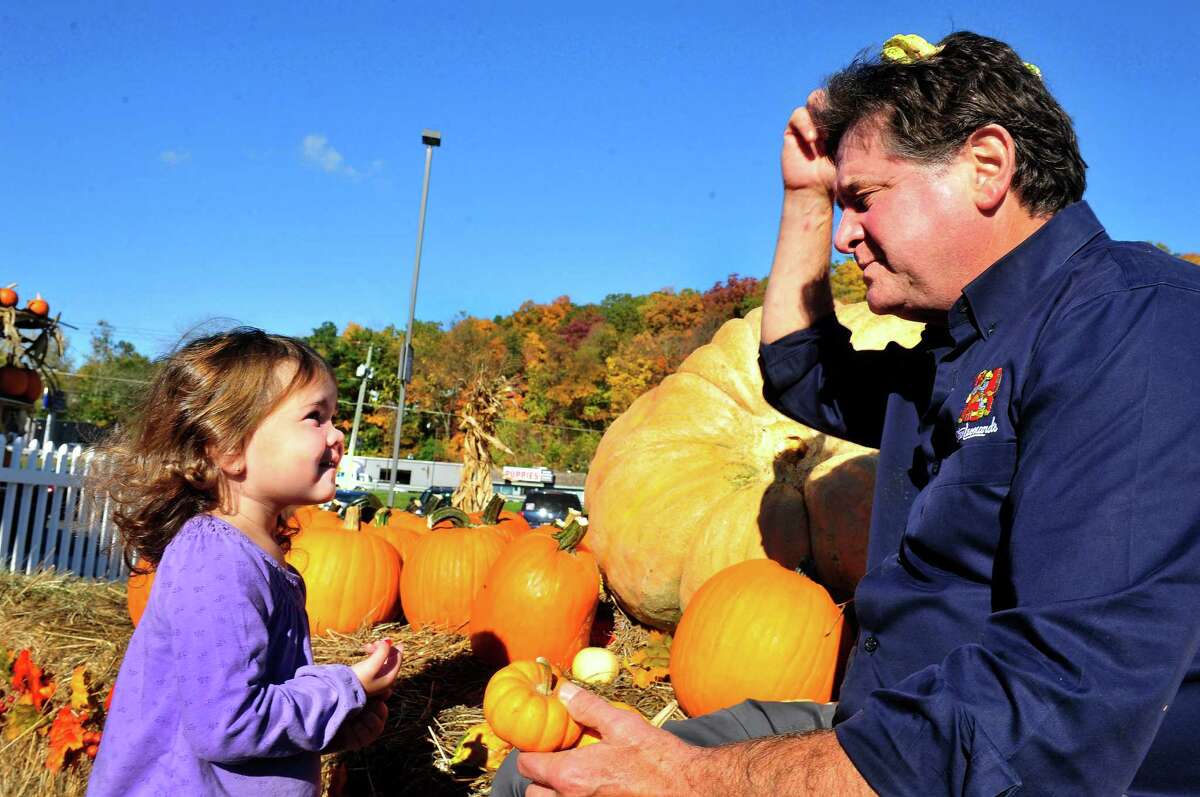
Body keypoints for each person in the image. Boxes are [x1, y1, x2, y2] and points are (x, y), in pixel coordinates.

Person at [493, 31, 1200, 796]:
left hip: (965, 765)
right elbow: (799, 371)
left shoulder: (1134, 328)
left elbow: (1057, 707)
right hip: (886, 729)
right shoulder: (956, 356)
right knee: (536, 774)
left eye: (862, 199)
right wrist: (805, 193)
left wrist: (695, 780)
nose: (843, 236)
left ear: (987, 165)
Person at [87, 329, 403, 796]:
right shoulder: (217, 560)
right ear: (229, 449)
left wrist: (331, 727)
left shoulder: (255, 555)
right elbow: (227, 725)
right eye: (315, 417)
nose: (338, 435)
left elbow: (249, 707)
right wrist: (344, 687)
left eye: (334, 418)